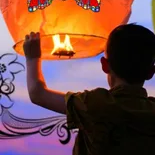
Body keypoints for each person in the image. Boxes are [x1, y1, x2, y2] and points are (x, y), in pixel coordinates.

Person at [23, 23, 155, 155]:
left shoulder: (95, 103)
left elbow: (37, 93)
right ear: (151, 72)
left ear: (105, 65)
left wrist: (32, 58)